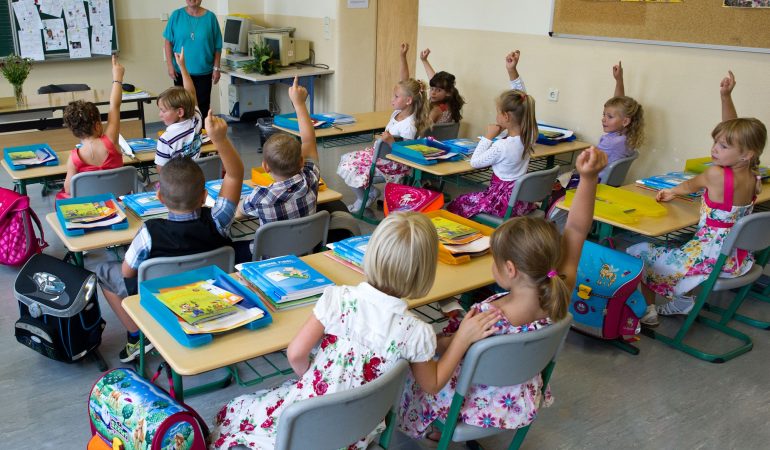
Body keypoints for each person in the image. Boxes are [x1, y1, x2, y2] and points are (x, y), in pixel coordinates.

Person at [209, 212, 501, 449]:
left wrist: (313, 379)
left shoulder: (338, 298)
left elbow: (296, 354)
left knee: (239, 407)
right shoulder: (417, 332)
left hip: (309, 411)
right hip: (359, 426)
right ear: (425, 272)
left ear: (371, 254)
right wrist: (460, 339)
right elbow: (432, 383)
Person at [398, 147, 607, 443]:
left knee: (415, 358)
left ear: (509, 269)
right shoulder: (560, 287)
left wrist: (432, 339)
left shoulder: (492, 318)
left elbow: (451, 351)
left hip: (469, 400)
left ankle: (432, 428)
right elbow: (576, 228)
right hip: (516, 397)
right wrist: (589, 178)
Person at [95, 109, 245, 363]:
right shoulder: (219, 220)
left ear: (160, 197)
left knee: (103, 272)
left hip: (165, 299)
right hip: (211, 294)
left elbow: (127, 272)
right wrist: (220, 140)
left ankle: (135, 336)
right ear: (203, 196)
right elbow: (235, 174)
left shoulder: (148, 233)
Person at [627, 73, 766, 327]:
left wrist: (673, 192)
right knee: (678, 241)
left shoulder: (715, 175)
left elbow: (691, 184)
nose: (714, 149)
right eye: (715, 142)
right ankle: (682, 302)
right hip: (736, 260)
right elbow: (733, 132)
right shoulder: (754, 177)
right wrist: (726, 97)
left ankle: (648, 311)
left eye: (723, 146)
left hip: (707, 259)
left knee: (639, 251)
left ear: (746, 154)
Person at [337, 43, 432, 213]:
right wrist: (402, 56)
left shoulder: (410, 124)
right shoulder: (398, 111)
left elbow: (407, 153)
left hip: (393, 164)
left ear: (408, 100)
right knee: (345, 159)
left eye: (396, 97)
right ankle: (369, 192)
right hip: (379, 156)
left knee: (349, 166)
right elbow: (403, 82)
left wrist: (392, 141)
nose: (392, 99)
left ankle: (366, 196)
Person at [446, 58, 539, 219]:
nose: (495, 115)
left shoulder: (502, 146)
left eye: (497, 111)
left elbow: (475, 162)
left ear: (506, 116)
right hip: (520, 203)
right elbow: (521, 98)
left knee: (457, 203)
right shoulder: (529, 136)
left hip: (500, 204)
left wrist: (488, 137)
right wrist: (512, 70)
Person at [239, 76, 325, 225]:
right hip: (308, 247)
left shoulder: (259, 197)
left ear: (265, 167)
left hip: (271, 249)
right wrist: (299, 104)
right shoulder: (310, 177)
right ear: (301, 161)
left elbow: (238, 213)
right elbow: (309, 140)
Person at [57, 55, 125, 200]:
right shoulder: (111, 141)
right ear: (97, 125)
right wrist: (117, 79)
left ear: (73, 131)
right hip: (118, 204)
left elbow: (69, 189)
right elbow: (115, 105)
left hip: (90, 209)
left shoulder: (74, 158)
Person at [162, 0, 222, 116]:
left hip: (204, 72)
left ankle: (201, 133)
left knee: (202, 108)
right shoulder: (176, 15)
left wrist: (216, 68)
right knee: (182, 107)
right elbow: (168, 42)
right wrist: (170, 66)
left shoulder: (211, 18)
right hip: (181, 72)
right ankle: (185, 133)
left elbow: (217, 46)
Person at [155, 48, 203, 173]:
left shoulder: (166, 139)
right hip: (197, 177)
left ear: (180, 112)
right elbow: (191, 93)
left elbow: (161, 170)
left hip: (178, 184)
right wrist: (182, 66)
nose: (160, 115)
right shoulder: (196, 120)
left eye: (163, 111)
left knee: (149, 186)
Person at [400, 46, 465, 124]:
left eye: (438, 90)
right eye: (431, 89)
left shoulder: (437, 110)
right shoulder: (448, 106)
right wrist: (424, 60)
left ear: (448, 92)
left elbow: (422, 129)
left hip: (429, 136)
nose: (433, 93)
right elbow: (435, 82)